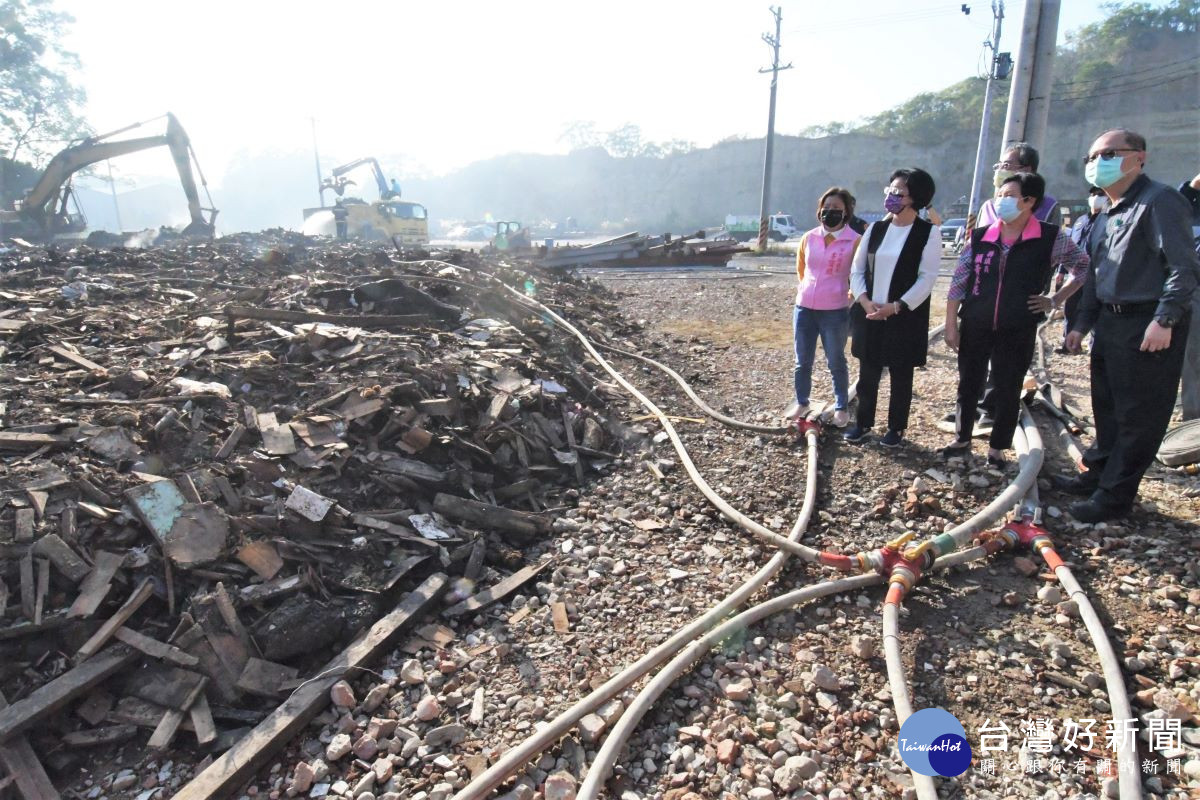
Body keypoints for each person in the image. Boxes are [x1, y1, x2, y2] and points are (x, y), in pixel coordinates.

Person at [1062, 129, 1199, 523]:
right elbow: (1095, 273)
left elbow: (1183, 267)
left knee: (1138, 416)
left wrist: (1165, 318)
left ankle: (1115, 497)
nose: (1097, 163)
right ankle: (1099, 474)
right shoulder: (1108, 212)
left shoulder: (1160, 202)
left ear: (1138, 157)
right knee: (1107, 407)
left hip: (1147, 324)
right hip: (1111, 322)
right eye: (1092, 156)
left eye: (1108, 154)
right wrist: (1082, 323)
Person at [942, 173, 1089, 465]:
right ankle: (961, 439)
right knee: (969, 383)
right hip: (976, 321)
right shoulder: (981, 235)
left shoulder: (1049, 238)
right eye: (1000, 194)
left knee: (1009, 386)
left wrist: (1055, 300)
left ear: (1029, 201)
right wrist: (950, 324)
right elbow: (960, 281)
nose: (1000, 200)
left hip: (1018, 325)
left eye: (1008, 195)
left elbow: (1083, 267)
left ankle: (997, 448)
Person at [844, 168, 941, 447]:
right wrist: (863, 300)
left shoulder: (928, 234)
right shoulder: (876, 229)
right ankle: (863, 423)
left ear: (916, 197)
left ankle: (896, 428)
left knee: (901, 374)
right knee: (868, 372)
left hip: (904, 316)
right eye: (891, 190)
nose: (892, 196)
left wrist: (897, 306)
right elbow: (857, 269)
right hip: (871, 312)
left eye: (899, 192)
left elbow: (927, 278)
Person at [791, 187, 862, 428]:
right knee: (802, 361)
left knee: (835, 360)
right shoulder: (808, 237)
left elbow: (858, 275)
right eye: (826, 208)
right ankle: (802, 401)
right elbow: (802, 270)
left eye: (836, 210)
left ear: (846, 213)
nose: (830, 213)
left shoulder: (855, 241)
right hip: (804, 309)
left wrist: (849, 296)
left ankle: (841, 405)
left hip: (835, 311)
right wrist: (808, 291)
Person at [1055, 186, 1108, 352]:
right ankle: (1068, 343)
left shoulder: (1107, 220)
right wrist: (1061, 272)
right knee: (1071, 308)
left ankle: (1093, 346)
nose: (1095, 197)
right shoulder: (1081, 221)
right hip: (1076, 274)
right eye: (1093, 194)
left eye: (1100, 194)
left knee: (1092, 310)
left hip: (1096, 274)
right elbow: (1070, 248)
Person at [1179, 170, 1200, 420]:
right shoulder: (1190, 206)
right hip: (1195, 288)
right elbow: (1176, 207)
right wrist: (1193, 185)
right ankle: (1194, 421)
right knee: (1193, 356)